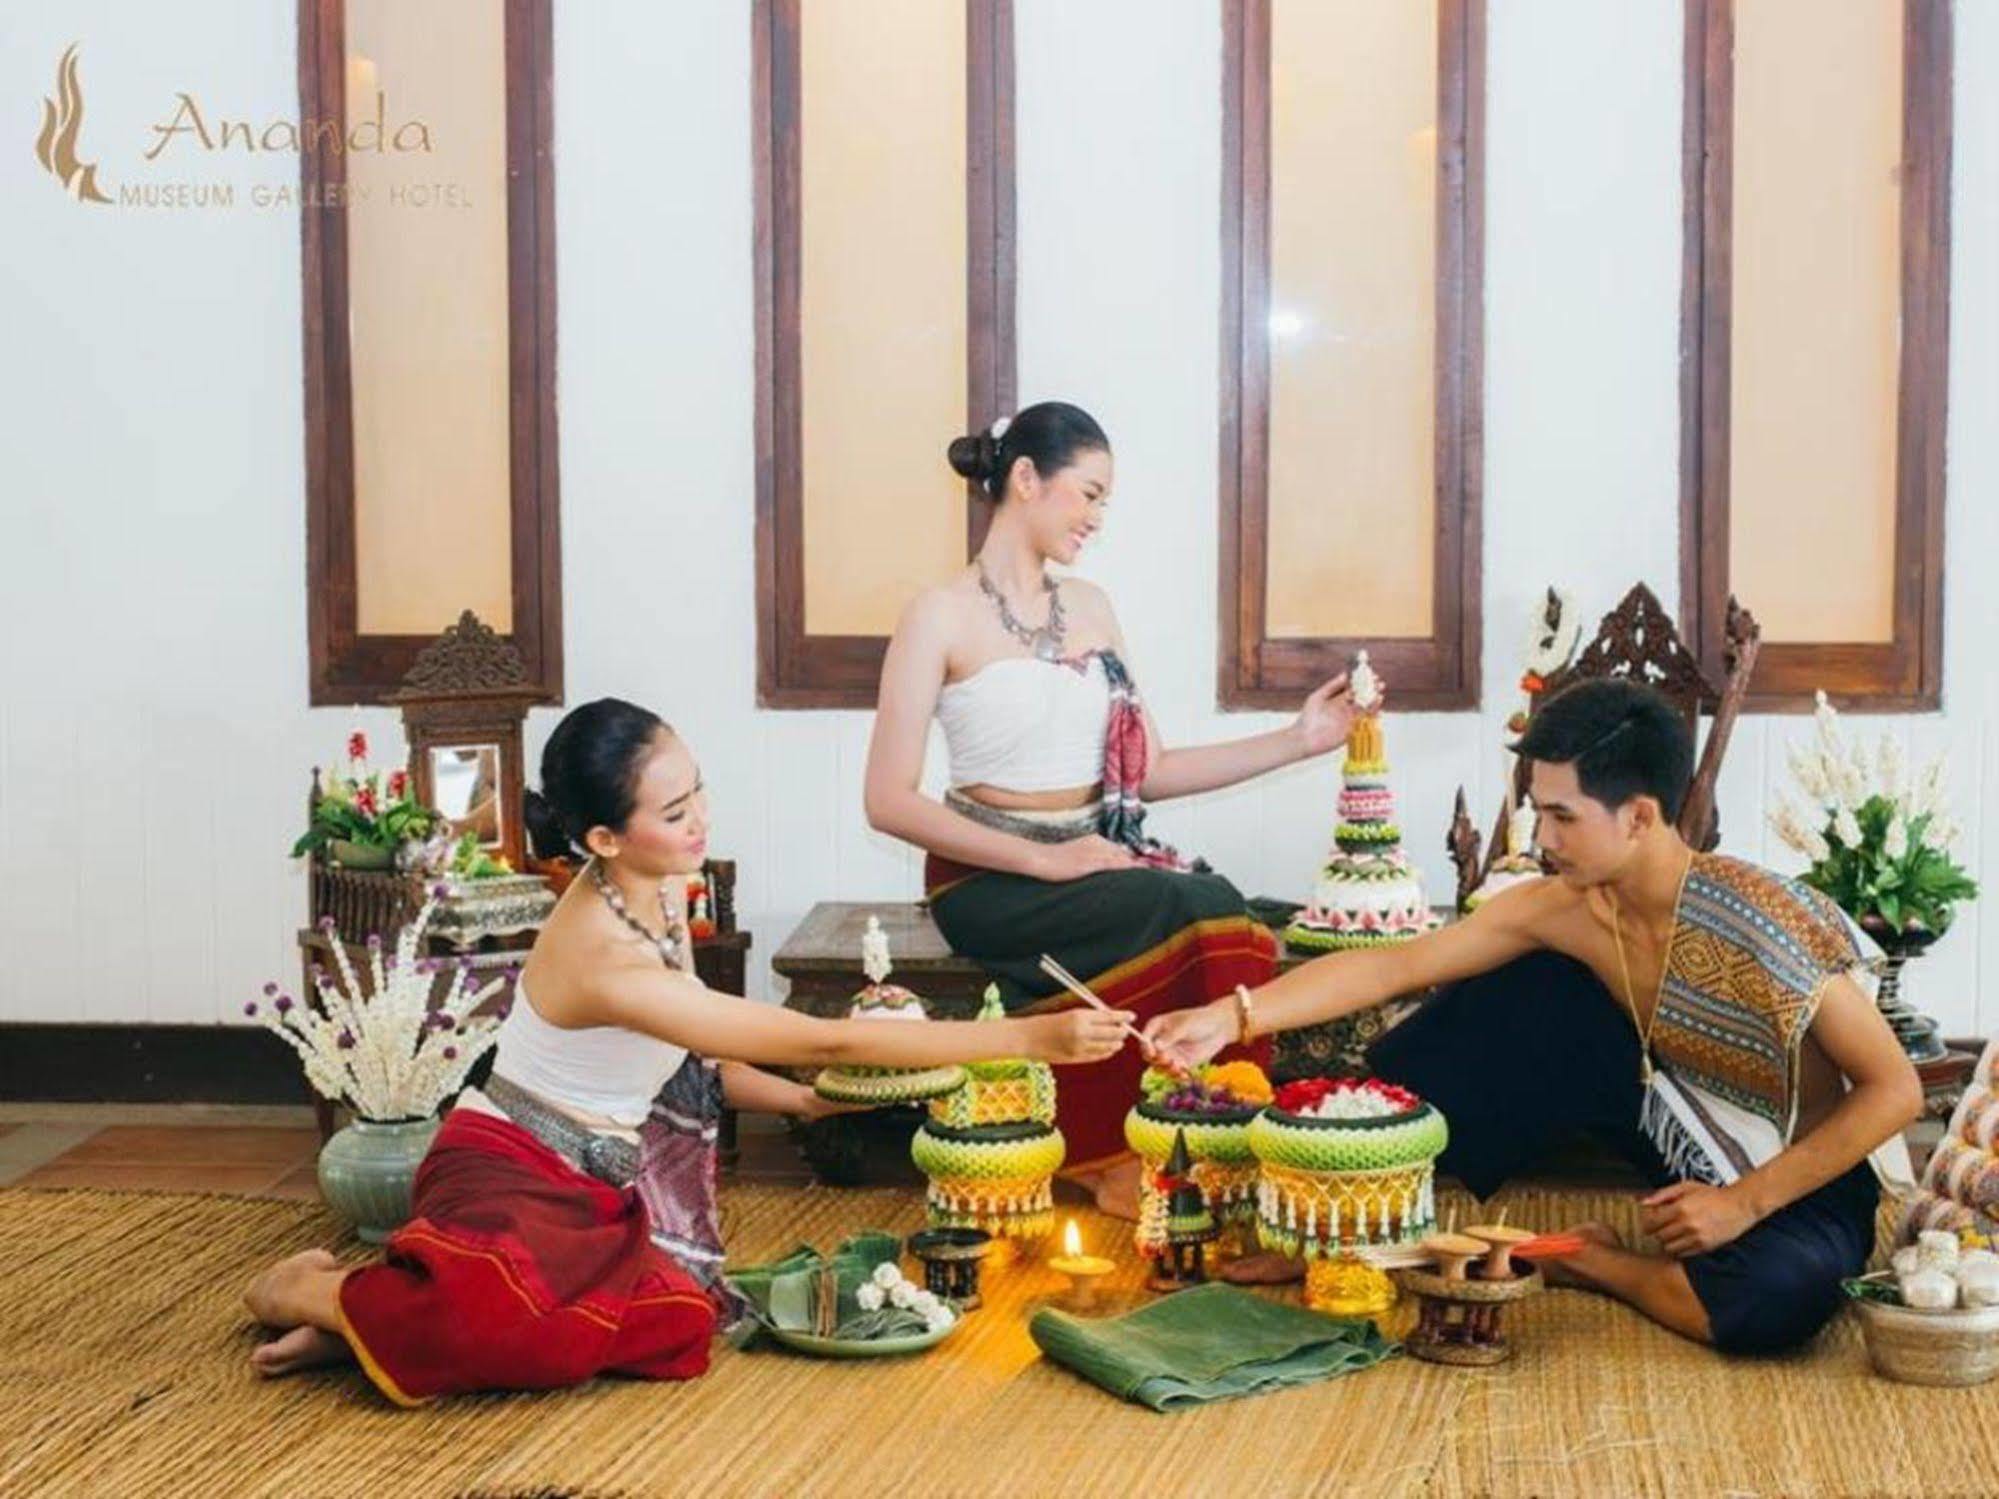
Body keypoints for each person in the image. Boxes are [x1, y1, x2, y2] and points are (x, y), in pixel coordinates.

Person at [245, 698, 1129, 1404]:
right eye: (673, 811)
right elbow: (814, 1034)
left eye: (697, 790)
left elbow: (691, 1058)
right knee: (515, 1321)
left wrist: (809, 1102)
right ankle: (309, 1291)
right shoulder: (601, 948)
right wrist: (1026, 1036)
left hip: (593, 1185)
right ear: (601, 838)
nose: (700, 819)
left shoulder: (664, 888)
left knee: (671, 1325)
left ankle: (368, 1333)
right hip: (504, 1166)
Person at [1147, 678, 1922, 1353]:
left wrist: (1738, 1204)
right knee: (1520, 986)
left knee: (1775, 1299)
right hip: (1668, 1122)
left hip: (1793, 1173)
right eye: (1536, 812)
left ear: (1640, 816)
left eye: (1561, 817)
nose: (1542, 839)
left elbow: (1895, 1090)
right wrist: (1232, 1014)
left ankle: (1583, 1258)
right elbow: (1397, 964)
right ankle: (1358, 1217)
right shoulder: (1568, 909)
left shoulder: (1757, 924)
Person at [864, 401, 1360, 1215]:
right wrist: (1045, 858)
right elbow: (885, 799)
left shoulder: (1090, 607)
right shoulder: (937, 614)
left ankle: (1199, 1138)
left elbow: (1150, 768)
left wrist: (1298, 738)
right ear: (1025, 478)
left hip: (1091, 862)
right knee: (1190, 901)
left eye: (1104, 501)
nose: (1096, 517)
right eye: (1087, 493)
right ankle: (1114, 1154)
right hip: (990, 877)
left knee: (1226, 907)